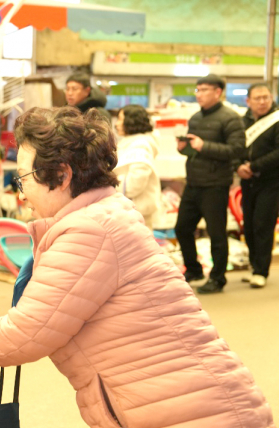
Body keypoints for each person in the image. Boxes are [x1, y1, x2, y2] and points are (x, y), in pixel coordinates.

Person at [0, 106, 276, 428]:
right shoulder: (101, 216)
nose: (21, 194)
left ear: (61, 175)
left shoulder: (90, 231)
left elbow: (26, 332)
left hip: (196, 420)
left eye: (24, 179)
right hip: (184, 412)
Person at [175, 74, 245, 294]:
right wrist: (184, 148)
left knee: (216, 234)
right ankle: (194, 269)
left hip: (215, 184)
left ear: (218, 92)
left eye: (205, 90)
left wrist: (203, 145)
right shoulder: (195, 118)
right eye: (197, 90)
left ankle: (218, 278)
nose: (199, 94)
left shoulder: (231, 118)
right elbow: (194, 150)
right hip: (193, 182)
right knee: (182, 228)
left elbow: (236, 150)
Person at [237, 83, 279, 288]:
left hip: (271, 180)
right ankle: (254, 266)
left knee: (263, 224)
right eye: (257, 98)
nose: (262, 102)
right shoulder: (242, 122)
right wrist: (238, 166)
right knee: (249, 224)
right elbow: (235, 147)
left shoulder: (276, 119)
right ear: (248, 101)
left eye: (266, 97)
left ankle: (261, 271)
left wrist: (253, 166)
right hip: (247, 181)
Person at [114, 105, 162, 229]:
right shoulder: (130, 142)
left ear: (131, 121)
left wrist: (110, 184)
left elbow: (135, 183)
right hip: (128, 209)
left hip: (137, 211)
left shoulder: (140, 145)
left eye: (120, 119)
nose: (117, 124)